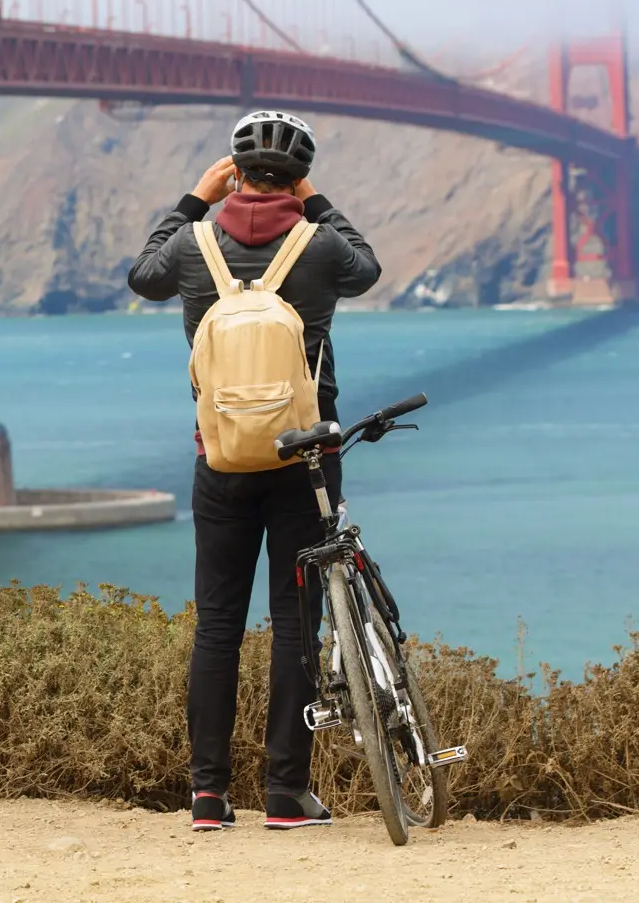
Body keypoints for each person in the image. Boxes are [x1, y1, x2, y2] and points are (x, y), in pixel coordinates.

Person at [127, 110, 381, 831]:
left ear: (235, 173)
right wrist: (317, 199)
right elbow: (368, 267)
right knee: (297, 624)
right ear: (297, 178)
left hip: (221, 457)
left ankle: (208, 796)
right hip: (307, 461)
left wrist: (194, 200)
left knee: (218, 626)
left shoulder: (191, 244)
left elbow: (142, 276)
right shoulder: (322, 246)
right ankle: (285, 793)